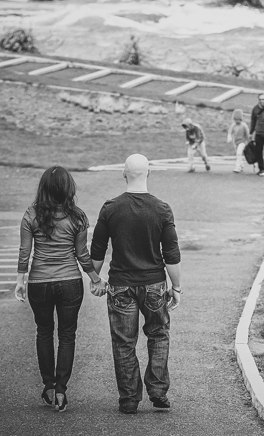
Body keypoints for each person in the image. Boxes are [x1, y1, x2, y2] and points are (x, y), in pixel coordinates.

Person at [90, 154, 182, 415]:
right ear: (149, 173)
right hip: (154, 284)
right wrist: (176, 288)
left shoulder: (110, 208)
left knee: (123, 342)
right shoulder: (162, 209)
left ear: (123, 173)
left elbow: (97, 250)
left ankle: (129, 399)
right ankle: (157, 390)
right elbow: (172, 254)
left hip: (120, 286)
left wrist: (95, 279)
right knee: (159, 334)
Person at [15, 166, 105, 413]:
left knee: (44, 332)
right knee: (67, 335)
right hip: (69, 283)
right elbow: (82, 255)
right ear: (68, 189)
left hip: (39, 283)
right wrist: (96, 278)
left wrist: (20, 281)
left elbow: (25, 252)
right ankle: (62, 390)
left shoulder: (31, 215)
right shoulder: (77, 217)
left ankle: (48, 386)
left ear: (43, 188)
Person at [226, 108, 251, 174]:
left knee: (239, 153)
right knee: (238, 154)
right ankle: (241, 164)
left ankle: (237, 167)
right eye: (235, 119)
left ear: (241, 119)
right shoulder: (233, 125)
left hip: (242, 142)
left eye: (238, 119)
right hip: (235, 142)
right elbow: (230, 132)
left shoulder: (244, 125)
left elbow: (247, 134)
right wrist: (229, 138)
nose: (237, 121)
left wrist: (249, 142)